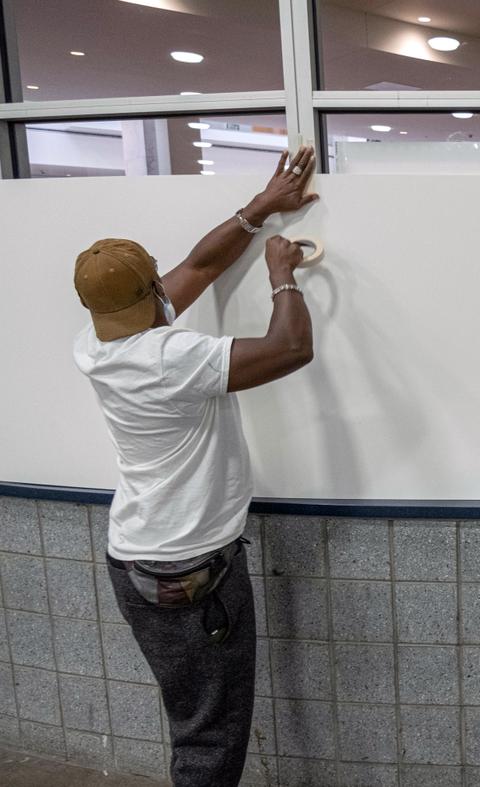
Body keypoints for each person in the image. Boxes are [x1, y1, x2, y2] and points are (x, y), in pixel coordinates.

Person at [72, 146, 320, 786]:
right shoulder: (168, 357)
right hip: (190, 572)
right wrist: (281, 272)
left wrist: (264, 207)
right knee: (210, 739)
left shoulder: (98, 342)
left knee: (195, 722)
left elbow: (202, 265)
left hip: (136, 558)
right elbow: (291, 348)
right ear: (152, 291)